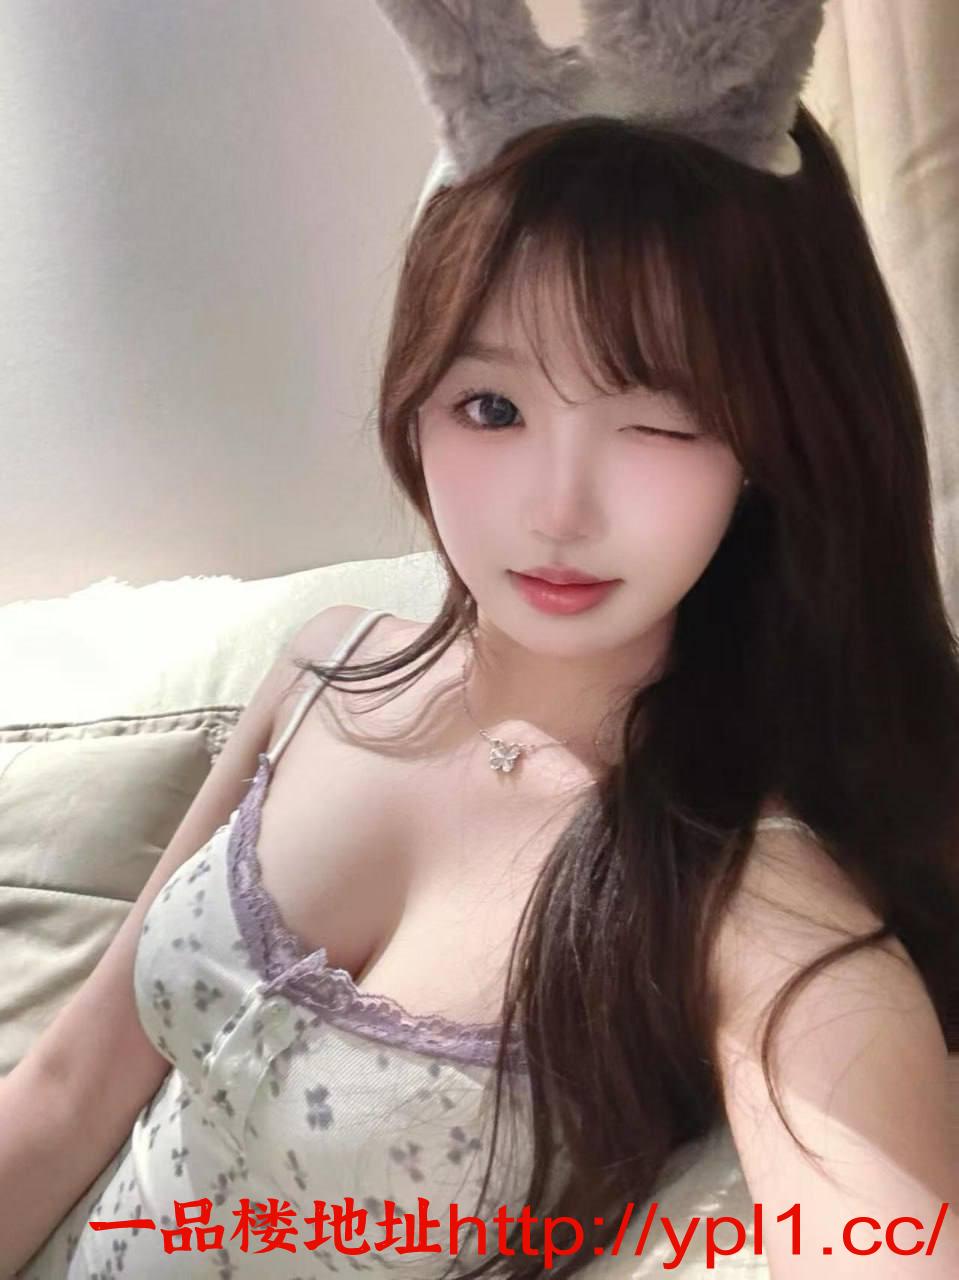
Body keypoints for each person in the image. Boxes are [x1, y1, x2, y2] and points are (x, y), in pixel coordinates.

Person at [3, 8, 959, 1280]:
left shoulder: (744, 893)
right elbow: (69, 1088)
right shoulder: (325, 668)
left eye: (661, 421)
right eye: (490, 404)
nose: (555, 509)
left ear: (773, 441)